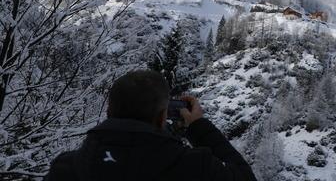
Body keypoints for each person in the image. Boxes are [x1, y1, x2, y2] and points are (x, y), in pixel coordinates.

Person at [45, 70, 257, 180]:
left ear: (109, 112)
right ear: (161, 118)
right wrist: (198, 126)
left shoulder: (64, 169)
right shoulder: (195, 167)